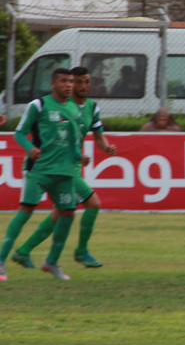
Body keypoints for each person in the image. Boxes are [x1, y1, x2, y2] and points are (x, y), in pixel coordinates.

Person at [10, 67, 118, 270]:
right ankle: (80, 251)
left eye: (87, 82)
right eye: (77, 82)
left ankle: (23, 251)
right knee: (93, 203)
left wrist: (107, 147)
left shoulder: (92, 107)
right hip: (59, 167)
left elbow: (98, 136)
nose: (82, 86)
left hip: (72, 166)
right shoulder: (56, 106)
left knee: (60, 212)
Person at [0, 69, 84, 281]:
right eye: (64, 81)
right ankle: (0, 262)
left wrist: (78, 156)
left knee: (68, 214)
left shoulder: (75, 109)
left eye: (71, 82)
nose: (69, 85)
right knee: (26, 210)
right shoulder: (39, 105)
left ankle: (52, 262)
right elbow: (20, 133)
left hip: (64, 173)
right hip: (39, 170)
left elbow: (73, 143)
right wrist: (30, 148)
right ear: (53, 83)